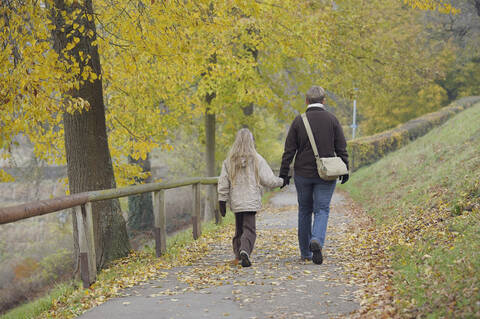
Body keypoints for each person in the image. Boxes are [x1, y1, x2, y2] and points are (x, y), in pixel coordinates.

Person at [279, 86, 349, 265]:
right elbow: (341, 146)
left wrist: (284, 174)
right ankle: (316, 239)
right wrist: (345, 167)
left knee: (304, 211)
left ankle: (305, 253)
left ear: (306, 101)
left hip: (302, 173)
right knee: (322, 209)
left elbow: (289, 151)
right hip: (326, 173)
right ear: (324, 100)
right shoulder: (332, 120)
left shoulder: (298, 121)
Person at [218, 128, 285, 267]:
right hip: (251, 200)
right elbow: (269, 180)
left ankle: (238, 256)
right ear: (251, 142)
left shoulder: (229, 161)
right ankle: (245, 251)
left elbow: (223, 181)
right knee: (249, 229)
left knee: (239, 229)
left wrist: (222, 200)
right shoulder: (257, 159)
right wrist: (282, 181)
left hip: (236, 201)